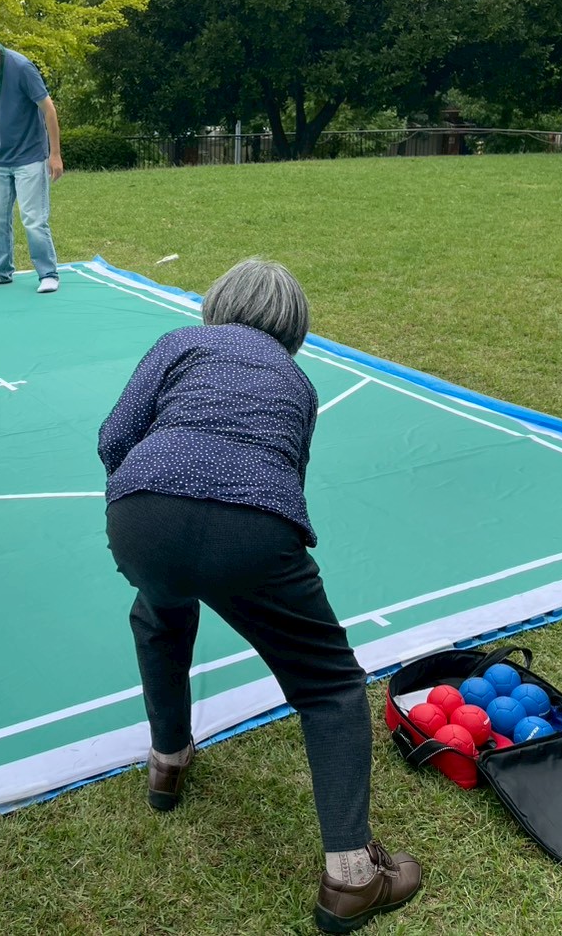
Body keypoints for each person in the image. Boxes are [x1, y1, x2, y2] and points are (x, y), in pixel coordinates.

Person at [98, 259, 423, 934]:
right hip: (252, 528)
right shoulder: (298, 382)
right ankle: (352, 877)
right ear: (294, 328)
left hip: (140, 512)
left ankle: (166, 761)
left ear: (216, 305)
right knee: (328, 686)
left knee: (160, 611)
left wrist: (148, 512)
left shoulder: (178, 343)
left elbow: (114, 437)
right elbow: (284, 478)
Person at [0, 13, 63, 294]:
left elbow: (49, 109)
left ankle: (48, 274)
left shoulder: (21, 66)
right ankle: (1, 271)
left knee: (33, 219)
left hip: (30, 156)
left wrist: (54, 155)